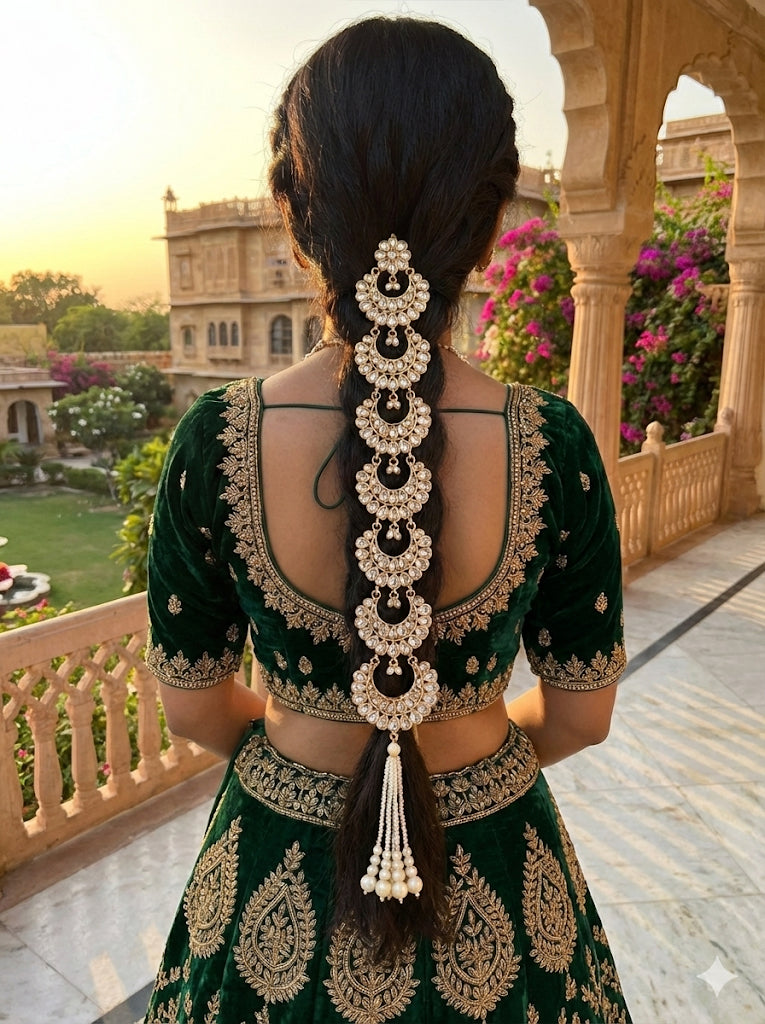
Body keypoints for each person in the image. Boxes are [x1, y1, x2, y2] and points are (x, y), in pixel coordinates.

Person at [142, 16, 632, 1024]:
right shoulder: (555, 443)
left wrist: (304, 742)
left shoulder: (216, 440)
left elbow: (193, 708)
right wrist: (467, 744)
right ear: (491, 223)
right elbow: (580, 714)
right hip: (496, 863)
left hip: (278, 863)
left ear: (293, 213)